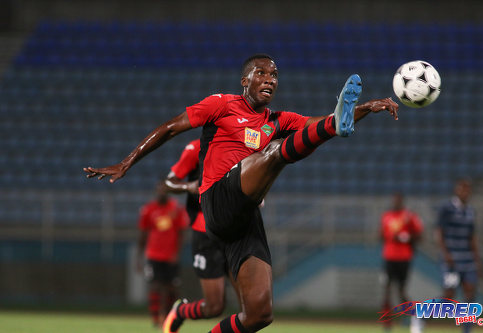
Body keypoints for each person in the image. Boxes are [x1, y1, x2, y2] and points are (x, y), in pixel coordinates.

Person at [85, 53, 399, 332]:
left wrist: (364, 108)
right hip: (217, 200)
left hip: (245, 218)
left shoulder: (276, 120)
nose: (269, 80)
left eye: (274, 75)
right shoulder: (220, 104)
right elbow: (170, 127)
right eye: (261, 73)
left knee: (259, 314)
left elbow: (322, 122)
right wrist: (127, 162)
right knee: (275, 153)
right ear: (244, 80)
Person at [163, 139, 238, 332]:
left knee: (252, 307)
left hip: (237, 232)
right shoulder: (195, 148)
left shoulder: (244, 144)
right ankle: (180, 312)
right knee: (215, 307)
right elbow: (168, 183)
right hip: (205, 233)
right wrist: (189, 187)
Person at [137, 181, 188, 327]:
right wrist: (139, 258)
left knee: (172, 288)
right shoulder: (149, 210)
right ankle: (155, 318)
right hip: (154, 255)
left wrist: (177, 253)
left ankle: (169, 317)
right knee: (155, 286)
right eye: (159, 190)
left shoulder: (176, 209)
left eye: (164, 190)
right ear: (156, 191)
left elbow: (181, 233)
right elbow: (143, 235)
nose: (161, 193)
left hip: (171, 256)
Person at [436, 178, 480, 333]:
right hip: (452, 260)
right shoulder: (446, 208)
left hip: (467, 260)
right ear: (456, 190)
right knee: (448, 296)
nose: (465, 192)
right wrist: (445, 253)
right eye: (463, 189)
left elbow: (472, 236)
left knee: (470, 293)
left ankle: (466, 330)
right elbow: (439, 232)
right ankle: (421, 316)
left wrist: (477, 258)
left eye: (468, 190)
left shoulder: (470, 211)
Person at [380, 192, 423, 331]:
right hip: (389, 257)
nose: (396, 202)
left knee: (401, 291)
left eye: (398, 200)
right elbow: (380, 234)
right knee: (386, 289)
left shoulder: (409, 216)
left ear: (402, 201)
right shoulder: (387, 216)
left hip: (404, 258)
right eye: (394, 200)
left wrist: (406, 237)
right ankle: (387, 323)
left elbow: (419, 235)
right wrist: (390, 237)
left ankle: (413, 316)